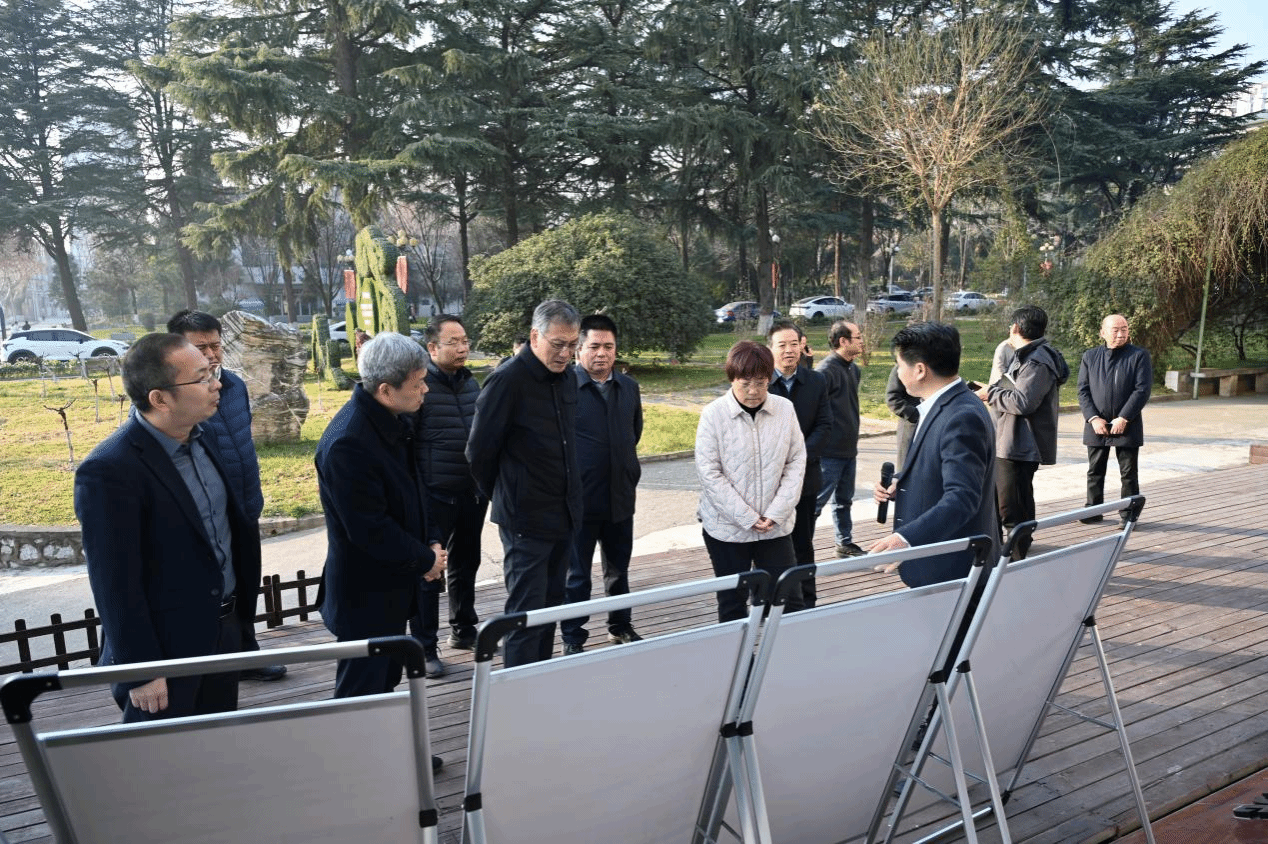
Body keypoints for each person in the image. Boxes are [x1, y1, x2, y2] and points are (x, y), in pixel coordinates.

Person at [75, 333, 262, 721]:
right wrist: (142, 670)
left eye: (213, 371)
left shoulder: (205, 437)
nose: (217, 384)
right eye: (202, 377)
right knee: (161, 754)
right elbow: (114, 582)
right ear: (160, 399)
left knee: (216, 742)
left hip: (224, 630)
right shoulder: (110, 470)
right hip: (166, 650)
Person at [315, 332, 447, 696]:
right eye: (418, 384)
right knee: (361, 692)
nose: (426, 390)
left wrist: (433, 538)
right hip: (366, 593)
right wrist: (426, 559)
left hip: (393, 582)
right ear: (386, 390)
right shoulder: (349, 443)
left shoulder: (390, 419)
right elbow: (369, 527)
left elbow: (415, 488)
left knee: (385, 681)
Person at [167, 309, 285, 682]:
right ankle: (216, 664)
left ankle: (246, 653)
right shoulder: (179, 399)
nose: (211, 354)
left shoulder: (233, 385)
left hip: (245, 505)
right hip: (209, 512)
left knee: (246, 584)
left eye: (216, 345)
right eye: (200, 347)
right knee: (217, 591)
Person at [467, 300, 583, 667]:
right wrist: (507, 494)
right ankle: (515, 690)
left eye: (573, 344)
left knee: (550, 610)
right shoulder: (507, 380)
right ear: (535, 337)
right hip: (525, 519)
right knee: (524, 615)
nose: (566, 353)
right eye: (558, 344)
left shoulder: (568, 377)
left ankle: (539, 682)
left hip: (563, 514)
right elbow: (478, 452)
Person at [871, 323, 999, 586]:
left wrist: (905, 538)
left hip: (952, 572)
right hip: (941, 569)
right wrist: (903, 483)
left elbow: (962, 498)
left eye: (899, 364)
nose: (897, 372)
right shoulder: (944, 404)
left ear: (920, 370)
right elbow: (940, 468)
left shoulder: (961, 416)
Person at [696, 341, 806, 621]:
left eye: (761, 383)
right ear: (732, 378)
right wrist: (746, 517)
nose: (754, 391)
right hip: (727, 528)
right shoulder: (713, 414)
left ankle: (783, 648)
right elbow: (710, 472)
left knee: (787, 599)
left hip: (774, 526)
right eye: (745, 384)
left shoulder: (785, 409)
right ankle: (737, 651)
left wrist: (776, 512)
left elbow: (796, 461)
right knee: (732, 603)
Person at [408, 315, 488, 676]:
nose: (462, 348)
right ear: (432, 348)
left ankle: (464, 630)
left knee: (466, 564)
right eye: (453, 342)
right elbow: (408, 442)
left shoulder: (471, 383)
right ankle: (425, 647)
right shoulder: (420, 386)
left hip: (471, 491)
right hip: (434, 494)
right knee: (429, 569)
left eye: (465, 341)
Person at [561, 314, 644, 654]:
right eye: (594, 346)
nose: (602, 353)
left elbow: (634, 433)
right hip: (578, 500)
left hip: (620, 496)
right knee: (576, 576)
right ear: (579, 349)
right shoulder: (564, 387)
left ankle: (620, 626)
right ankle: (572, 637)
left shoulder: (628, 387)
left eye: (608, 346)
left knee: (619, 570)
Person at [976, 306, 1069, 559]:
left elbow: (1023, 402)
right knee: (1011, 502)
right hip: (1011, 440)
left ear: (1015, 328)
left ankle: (1017, 560)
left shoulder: (1037, 360)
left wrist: (990, 394)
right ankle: (1010, 554)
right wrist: (993, 390)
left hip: (1019, 443)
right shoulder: (1030, 355)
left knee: (1012, 508)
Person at [764, 321, 830, 610]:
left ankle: (806, 603)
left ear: (802, 346)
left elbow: (825, 425)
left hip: (805, 478)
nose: (789, 350)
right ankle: (769, 603)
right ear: (770, 349)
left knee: (803, 543)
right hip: (768, 480)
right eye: (782, 345)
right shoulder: (761, 383)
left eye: (794, 344)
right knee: (768, 546)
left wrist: (798, 457)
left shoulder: (816, 381)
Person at [1077, 314, 1152, 524]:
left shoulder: (1138, 356)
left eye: (1124, 329)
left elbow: (1142, 390)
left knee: (1128, 473)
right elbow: (1083, 390)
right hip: (1096, 424)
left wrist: (1124, 417)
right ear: (1102, 332)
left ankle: (1129, 516)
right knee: (1095, 470)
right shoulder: (1090, 356)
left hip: (1127, 423)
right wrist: (1093, 418)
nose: (1121, 334)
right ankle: (1093, 511)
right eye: (1115, 330)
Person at [815, 320, 865, 560]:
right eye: (858, 337)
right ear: (843, 341)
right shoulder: (825, 372)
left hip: (849, 449)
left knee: (844, 501)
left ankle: (844, 544)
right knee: (815, 504)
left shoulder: (854, 369)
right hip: (829, 453)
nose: (862, 341)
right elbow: (813, 411)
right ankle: (796, 549)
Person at [885, 365, 920, 471]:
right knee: (906, 469)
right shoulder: (903, 366)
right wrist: (916, 415)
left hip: (934, 424)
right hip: (911, 426)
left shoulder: (935, 365)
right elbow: (893, 399)